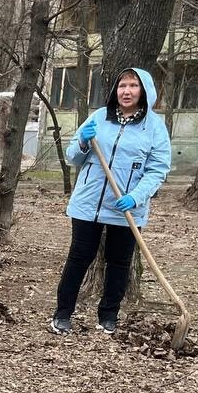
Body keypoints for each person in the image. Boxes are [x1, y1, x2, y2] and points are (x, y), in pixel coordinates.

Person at [49, 67, 171, 336]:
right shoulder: (99, 118)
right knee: (79, 258)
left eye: (133, 86)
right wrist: (82, 141)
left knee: (119, 262)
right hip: (89, 203)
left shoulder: (154, 127)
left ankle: (108, 316)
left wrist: (136, 197)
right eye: (122, 85)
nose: (126, 91)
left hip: (126, 206)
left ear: (145, 91)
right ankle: (62, 314)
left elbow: (159, 168)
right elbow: (73, 157)